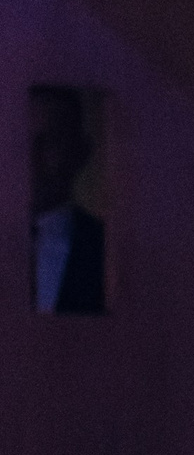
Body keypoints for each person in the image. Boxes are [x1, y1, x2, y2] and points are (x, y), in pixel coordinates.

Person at [30, 88, 106, 315]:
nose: (32, 158)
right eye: (18, 141)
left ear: (80, 152)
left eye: (51, 142)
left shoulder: (107, 250)